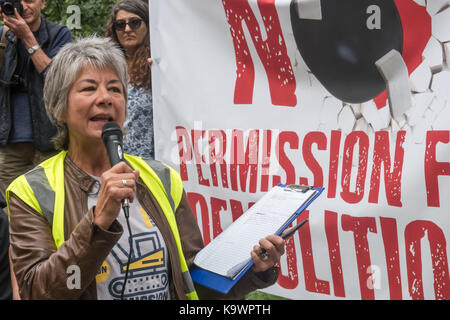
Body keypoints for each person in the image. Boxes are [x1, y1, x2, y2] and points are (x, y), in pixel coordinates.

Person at [6, 36, 285, 300]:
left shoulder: (161, 178)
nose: (105, 98)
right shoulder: (32, 191)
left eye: (115, 89)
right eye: (89, 88)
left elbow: (190, 282)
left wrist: (253, 273)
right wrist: (98, 225)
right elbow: (38, 291)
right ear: (59, 108)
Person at [0, 0, 73, 196]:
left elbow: (57, 78)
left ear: (43, 4)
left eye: (30, 0)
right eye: (18, 1)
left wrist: (27, 38)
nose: (24, 7)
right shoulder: (3, 36)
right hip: (10, 143)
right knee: (11, 211)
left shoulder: (60, 34)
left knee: (52, 205)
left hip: (50, 139)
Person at [106, 0, 154, 159]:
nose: (127, 29)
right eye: (120, 24)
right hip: (111, 159)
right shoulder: (106, 67)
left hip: (150, 163)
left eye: (134, 23)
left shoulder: (159, 64)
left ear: (148, 24)